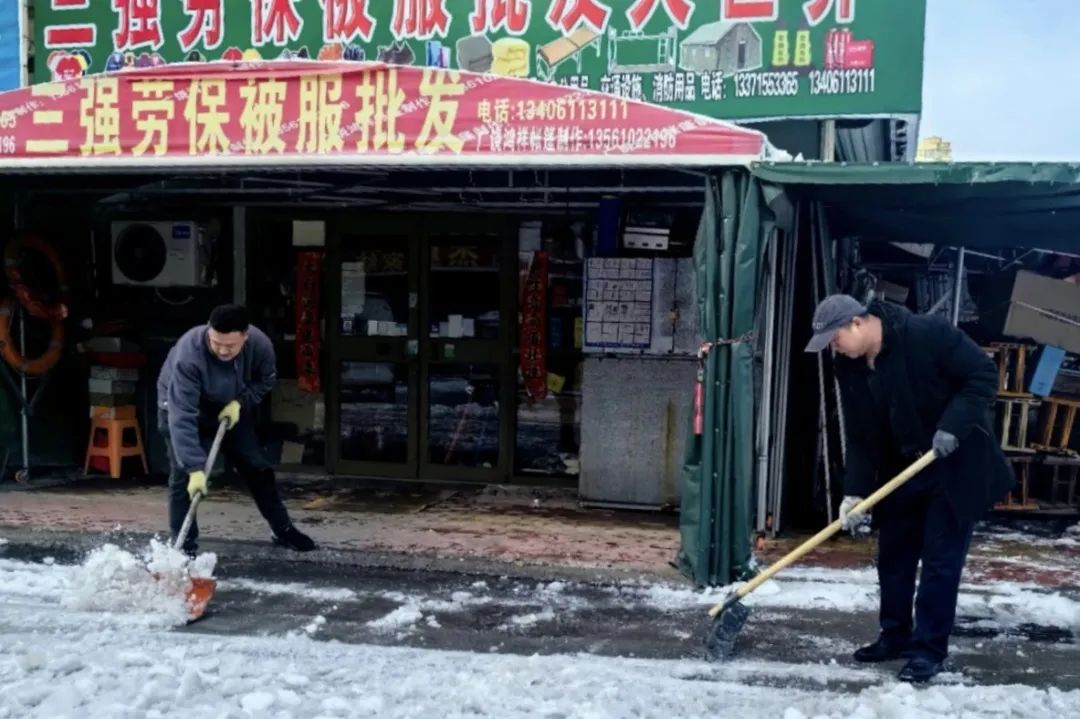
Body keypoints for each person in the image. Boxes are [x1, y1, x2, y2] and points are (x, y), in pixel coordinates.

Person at [805, 295, 1012, 683]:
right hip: (901, 469)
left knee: (939, 563)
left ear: (856, 323)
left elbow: (983, 375)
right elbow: (862, 435)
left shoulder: (925, 333)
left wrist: (953, 425)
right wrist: (856, 492)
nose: (834, 348)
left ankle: (927, 651)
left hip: (952, 465)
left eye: (835, 339)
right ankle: (894, 635)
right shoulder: (847, 367)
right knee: (894, 558)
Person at [157, 304, 316, 554]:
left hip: (229, 408)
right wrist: (195, 467)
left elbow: (265, 380)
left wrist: (240, 402)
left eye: (229, 346)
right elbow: (182, 415)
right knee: (184, 479)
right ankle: (183, 549)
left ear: (245, 336)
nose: (221, 350)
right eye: (216, 342)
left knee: (257, 468)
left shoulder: (260, 345)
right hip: (180, 409)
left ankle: (282, 529)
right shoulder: (190, 354)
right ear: (209, 331)